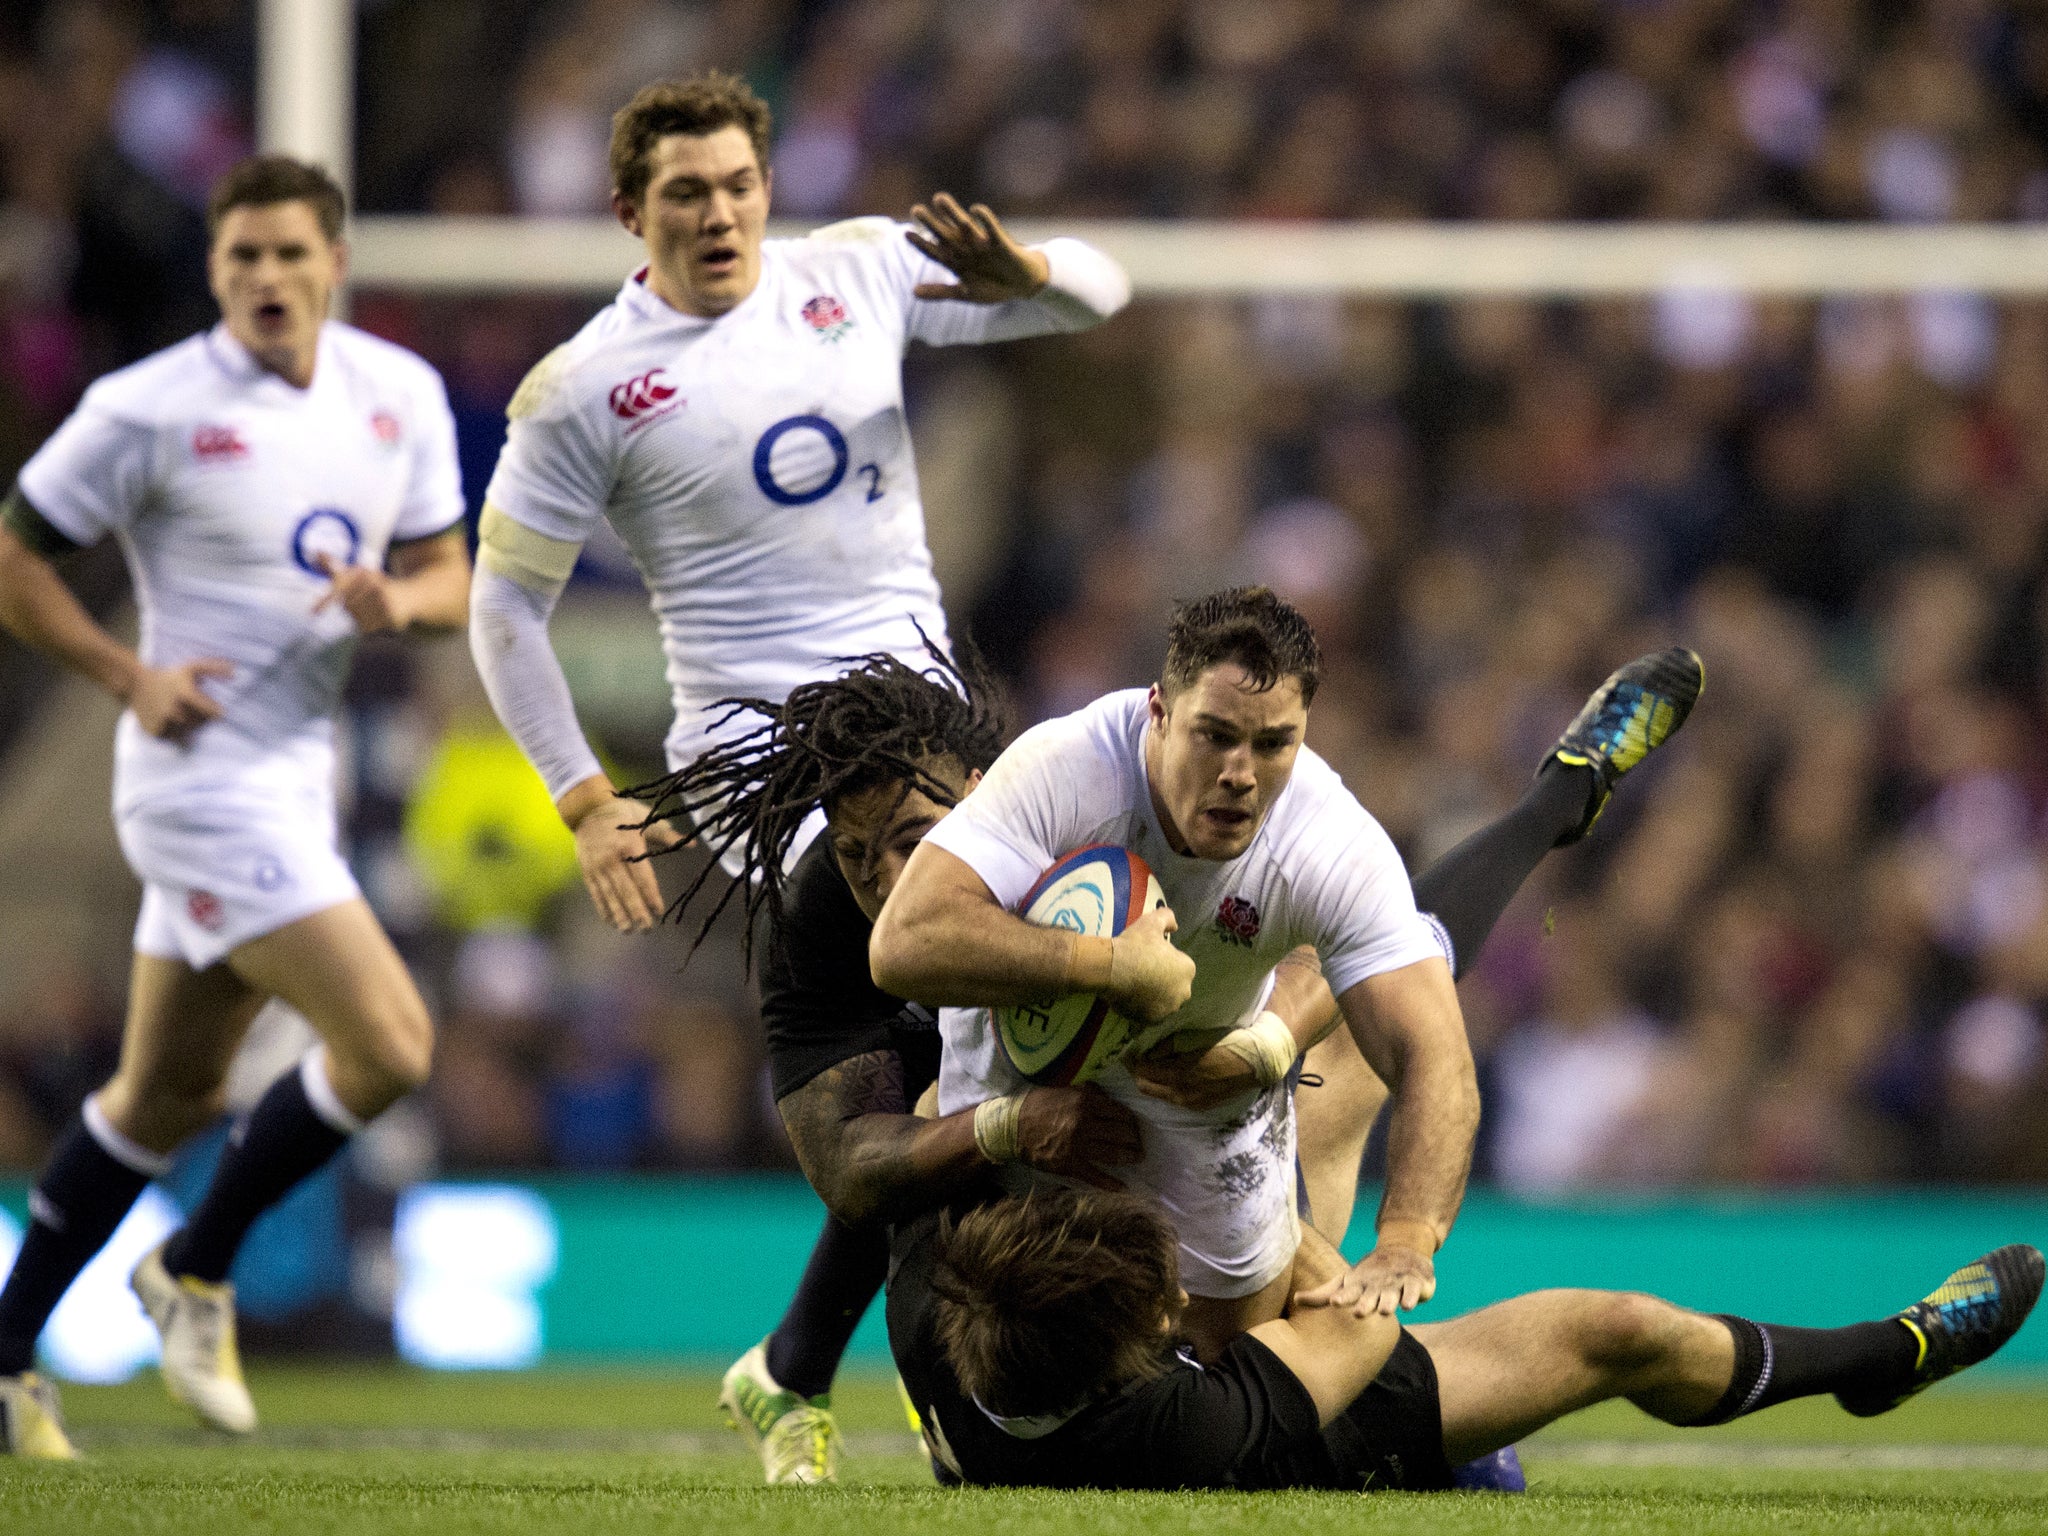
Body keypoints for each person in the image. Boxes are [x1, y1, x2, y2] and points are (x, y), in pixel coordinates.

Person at [467, 68, 1128, 1484]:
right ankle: (941, 1396)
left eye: (738, 185)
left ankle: (794, 1371)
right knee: (943, 1039)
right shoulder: (585, 390)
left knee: (924, 1068)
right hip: (767, 765)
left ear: (770, 186)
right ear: (628, 211)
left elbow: (1102, 297)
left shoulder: (859, 274)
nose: (719, 214)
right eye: (686, 193)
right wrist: (584, 798)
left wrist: (1031, 273)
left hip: (930, 725)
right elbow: (500, 610)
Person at [641, 623, 1701, 1481]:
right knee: (925, 1131)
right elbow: (849, 1169)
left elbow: (1315, 949)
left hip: (1157, 1117)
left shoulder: (1076, 823)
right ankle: (797, 1364)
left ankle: (1554, 799)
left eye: (910, 837)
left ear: (976, 787)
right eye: (852, 847)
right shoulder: (831, 925)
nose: (876, 871)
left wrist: (1272, 1037)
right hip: (1013, 1187)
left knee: (1372, 1023)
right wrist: (1004, 1116)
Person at [872, 589, 1703, 1355]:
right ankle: (1421, 1407)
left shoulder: (1325, 833)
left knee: (1248, 1340)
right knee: (976, 1347)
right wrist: (1111, 966)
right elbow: (903, 945)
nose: (1242, 772)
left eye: (1274, 744)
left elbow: (1436, 1055)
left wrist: (1409, 1235)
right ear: (1158, 713)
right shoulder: (1068, 767)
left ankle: (1555, 801)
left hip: (1203, 1089)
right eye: (1216, 735)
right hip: (1024, 1092)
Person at [0, 156, 470, 1458]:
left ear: (334, 263)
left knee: (161, 1093)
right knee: (391, 1045)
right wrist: (124, 675)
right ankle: (196, 1270)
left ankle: (1, 1352)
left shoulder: (402, 396)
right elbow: (13, 559)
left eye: (287, 255)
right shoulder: (145, 407)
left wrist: (403, 604)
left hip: (295, 783)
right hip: (196, 783)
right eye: (240, 259)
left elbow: (452, 576)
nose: (265, 279)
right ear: (216, 272)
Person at [895, 1183, 2042, 1491]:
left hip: (1232, 1362)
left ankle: (1555, 803)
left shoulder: (933, 1300)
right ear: (1135, 1361)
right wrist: (1238, 1165)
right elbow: (1349, 1327)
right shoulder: (1183, 1428)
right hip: (1314, 1427)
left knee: (1324, 1020)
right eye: (1163, 1305)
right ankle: (1883, 1360)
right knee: (1619, 1330)